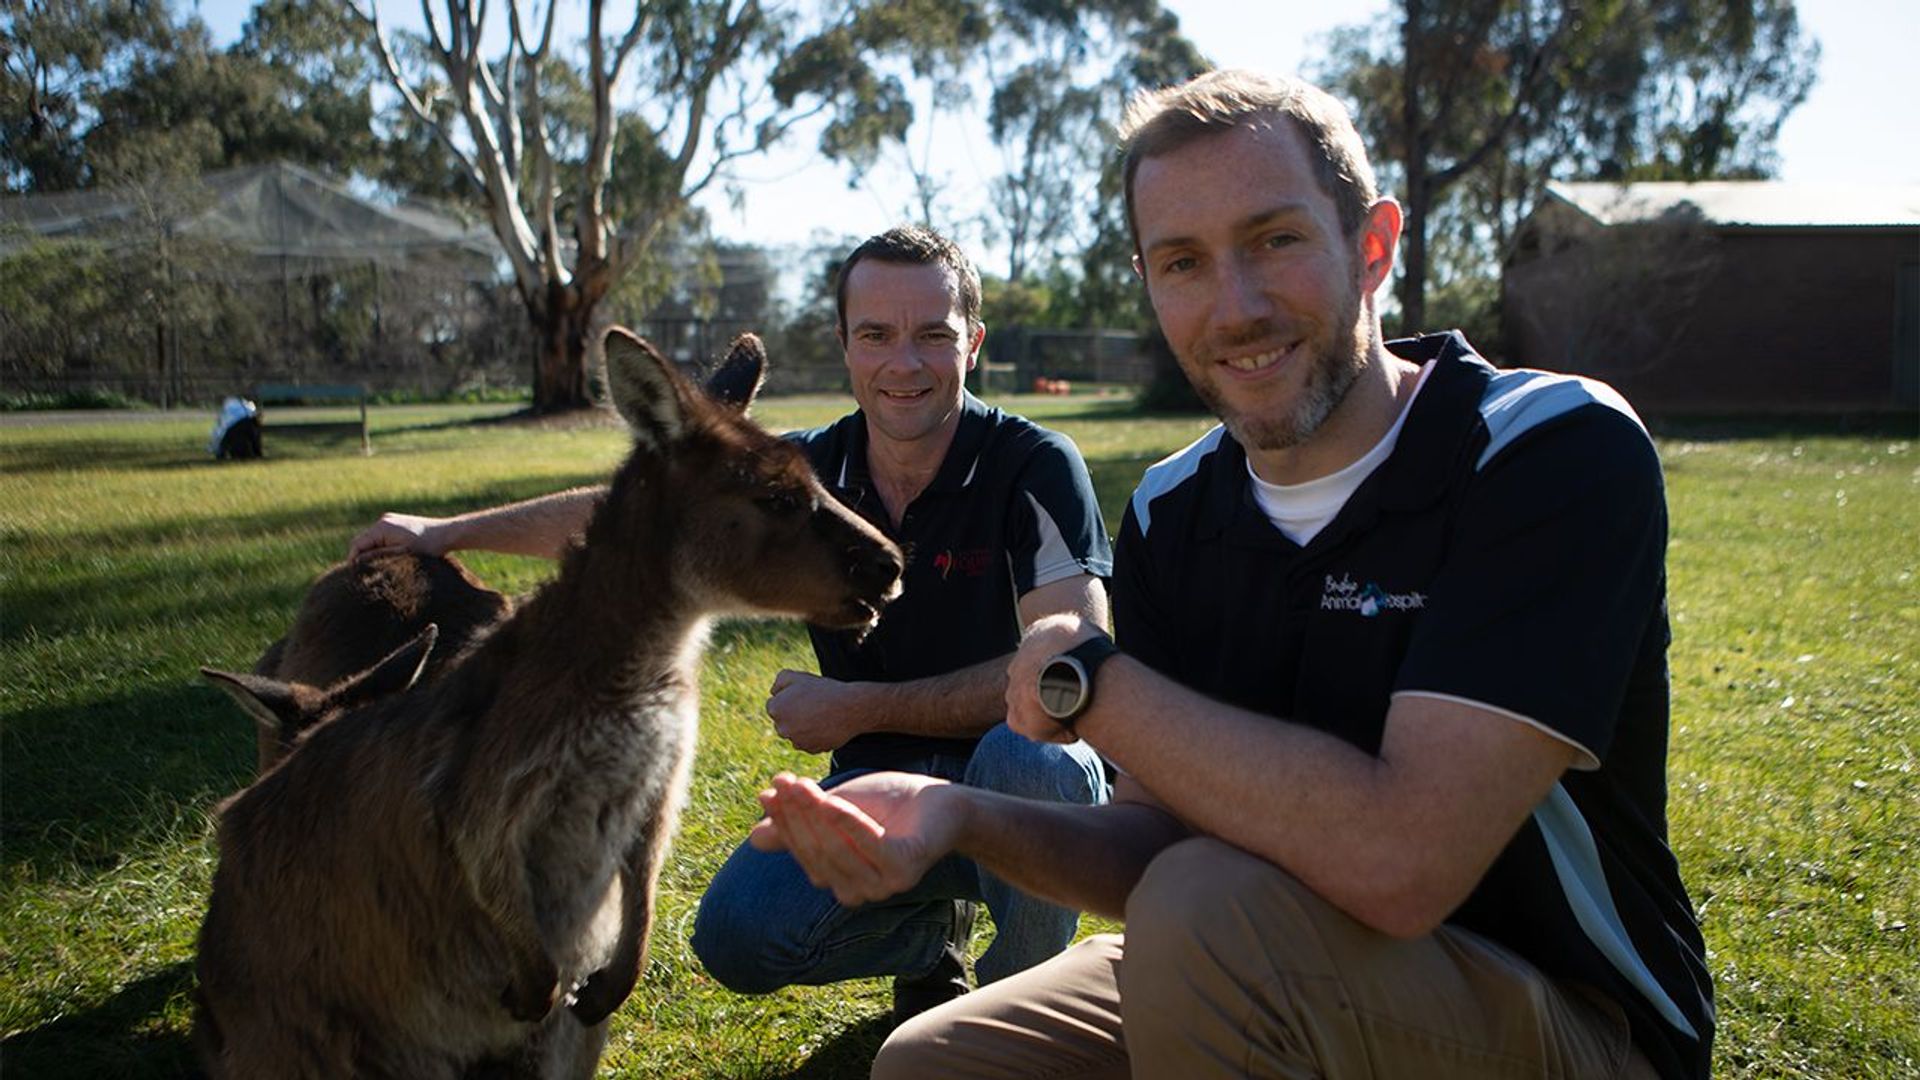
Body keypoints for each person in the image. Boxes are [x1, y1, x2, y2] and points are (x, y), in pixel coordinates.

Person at [750, 70, 1713, 1080]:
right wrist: (962, 816)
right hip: (1244, 953)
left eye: (1275, 240)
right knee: (931, 1064)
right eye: (1183, 263)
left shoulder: (1540, 447)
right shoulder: (1174, 509)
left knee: (1205, 915)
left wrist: (1083, 680)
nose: (1236, 306)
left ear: (1372, 246)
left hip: (1566, 1015)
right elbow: (1149, 842)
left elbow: (1403, 865)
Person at [346, 226, 1113, 1024]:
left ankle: (1014, 1012)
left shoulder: (1033, 463)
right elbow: (632, 517)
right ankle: (931, 944)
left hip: (1012, 790)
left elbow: (1067, 671)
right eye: (877, 335)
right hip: (878, 793)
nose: (904, 363)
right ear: (845, 345)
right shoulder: (812, 466)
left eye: (933, 335)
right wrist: (444, 532)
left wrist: (861, 708)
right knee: (737, 937)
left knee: (1040, 760)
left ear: (974, 344)